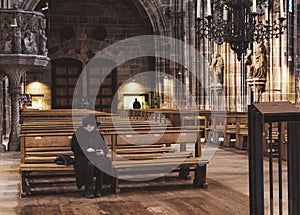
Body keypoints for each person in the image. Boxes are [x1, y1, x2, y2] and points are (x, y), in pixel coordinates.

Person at [71, 114, 110, 198]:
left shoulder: (97, 134)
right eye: (88, 125)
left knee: (102, 163)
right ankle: (89, 189)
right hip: (83, 157)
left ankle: (99, 188)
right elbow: (75, 148)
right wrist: (85, 150)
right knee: (90, 164)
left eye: (92, 126)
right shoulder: (78, 134)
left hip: (97, 156)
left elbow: (104, 147)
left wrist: (102, 152)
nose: (90, 128)